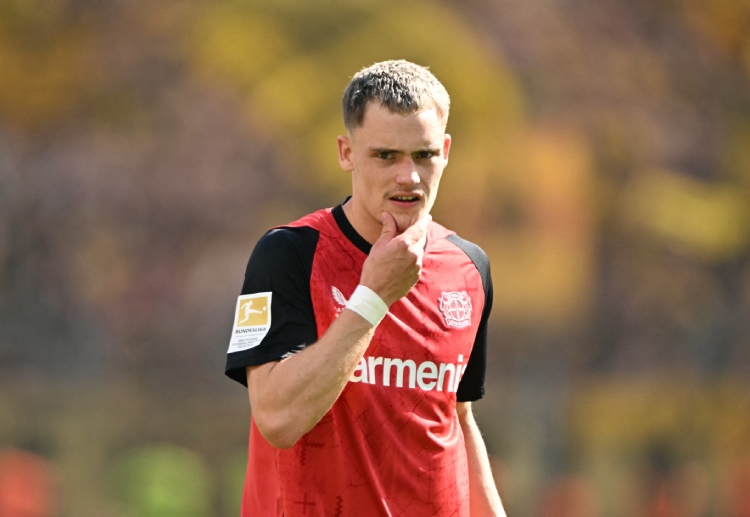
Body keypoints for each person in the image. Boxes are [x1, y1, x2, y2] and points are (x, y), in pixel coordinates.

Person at [225, 59, 507, 516]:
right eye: (385, 156)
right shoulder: (289, 253)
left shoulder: (469, 268)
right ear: (347, 153)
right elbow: (278, 419)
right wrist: (374, 297)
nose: (408, 176)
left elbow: (456, 415)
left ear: (445, 151)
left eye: (423, 155)